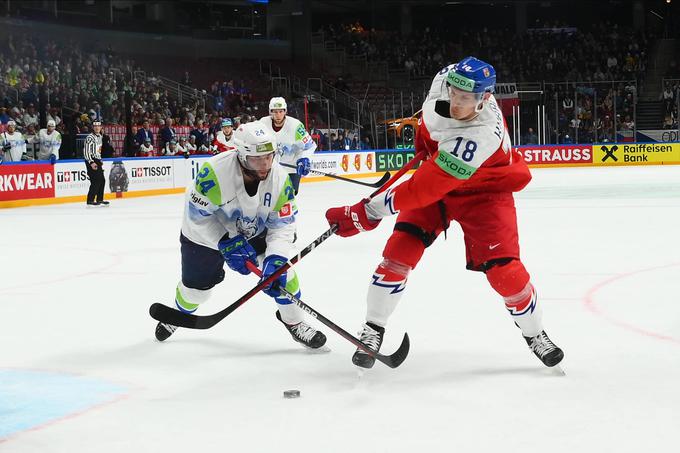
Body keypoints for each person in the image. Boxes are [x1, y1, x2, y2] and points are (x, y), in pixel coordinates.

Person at [325, 56, 564, 370]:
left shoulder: (480, 136)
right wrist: (426, 145)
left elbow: (425, 189)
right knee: (398, 253)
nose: (455, 101)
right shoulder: (446, 78)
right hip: (438, 178)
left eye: (465, 98)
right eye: (453, 92)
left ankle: (535, 334)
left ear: (484, 99)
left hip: (485, 193)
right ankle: (373, 328)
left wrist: (367, 212)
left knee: (506, 273)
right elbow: (433, 128)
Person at [154, 122, 327, 350]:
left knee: (285, 274)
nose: (265, 164)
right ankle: (178, 313)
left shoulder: (281, 179)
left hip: (255, 229)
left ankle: (294, 322)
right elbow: (196, 216)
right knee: (196, 294)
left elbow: (283, 225)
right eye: (257, 159)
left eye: (269, 156)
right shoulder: (213, 173)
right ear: (242, 155)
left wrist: (275, 258)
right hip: (206, 236)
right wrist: (224, 240)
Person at [259, 97, 316, 194]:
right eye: (275, 112)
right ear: (270, 112)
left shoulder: (295, 126)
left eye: (281, 111)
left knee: (288, 197)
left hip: (292, 168)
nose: (278, 115)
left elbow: (310, 146)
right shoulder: (263, 124)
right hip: (271, 169)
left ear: (285, 111)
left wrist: (304, 159)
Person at [83, 121, 109, 207]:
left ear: (101, 127)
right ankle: (90, 200)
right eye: (95, 126)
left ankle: (99, 199)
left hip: (97, 160)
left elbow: (98, 150)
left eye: (99, 126)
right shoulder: (90, 137)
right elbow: (86, 151)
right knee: (96, 180)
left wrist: (99, 159)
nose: (97, 128)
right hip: (91, 160)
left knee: (102, 180)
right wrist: (91, 162)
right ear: (92, 127)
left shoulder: (100, 137)